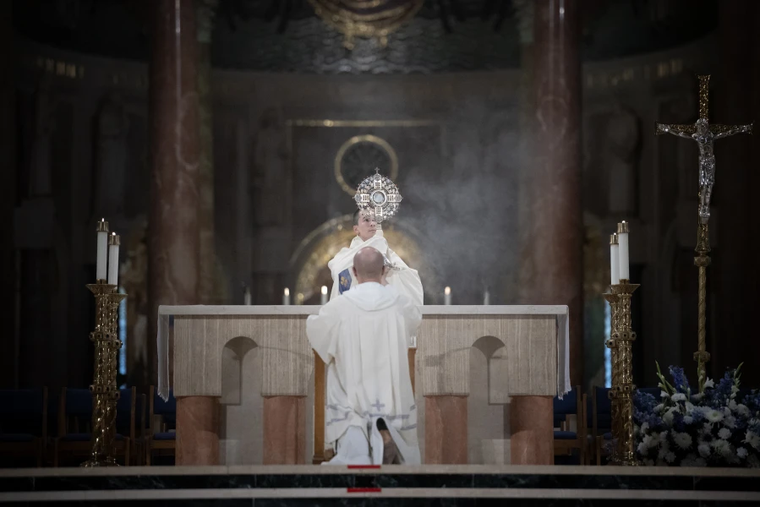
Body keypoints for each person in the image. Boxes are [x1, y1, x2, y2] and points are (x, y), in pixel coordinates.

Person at [307, 247, 422, 465]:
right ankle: (385, 434)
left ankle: (358, 449)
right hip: (390, 400)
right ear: (384, 270)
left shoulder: (340, 306)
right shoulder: (399, 303)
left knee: (336, 374)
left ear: (354, 272)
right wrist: (386, 283)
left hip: (354, 399)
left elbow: (316, 330)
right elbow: (415, 320)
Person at [328, 210, 423, 306]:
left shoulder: (390, 255)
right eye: (366, 220)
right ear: (356, 229)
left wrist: (391, 271)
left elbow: (410, 280)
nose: (372, 224)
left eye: (374, 220)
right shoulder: (344, 256)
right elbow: (339, 272)